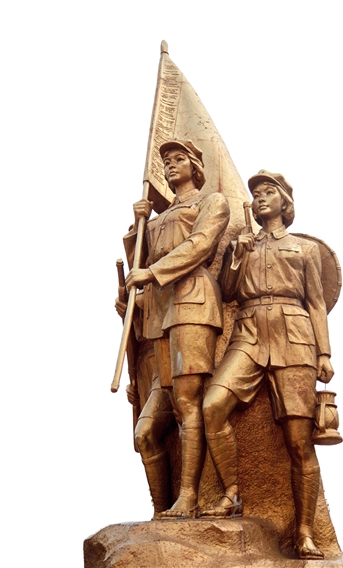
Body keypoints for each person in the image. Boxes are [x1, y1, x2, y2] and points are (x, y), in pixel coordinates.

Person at [202, 170, 333, 560]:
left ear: (284, 202)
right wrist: (236, 256)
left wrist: (324, 353)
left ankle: (305, 532)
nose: (259, 198)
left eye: (268, 192)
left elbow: (316, 303)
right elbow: (227, 293)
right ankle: (231, 494)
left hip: (295, 337)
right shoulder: (242, 245)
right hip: (249, 332)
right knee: (212, 406)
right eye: (256, 193)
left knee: (299, 442)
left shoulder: (303, 249)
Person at [123, 139, 230, 518]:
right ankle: (160, 512)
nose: (170, 165)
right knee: (148, 429)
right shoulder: (157, 218)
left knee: (188, 402)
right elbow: (139, 263)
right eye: (166, 160)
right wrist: (138, 227)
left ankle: (189, 498)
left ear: (195, 167)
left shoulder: (211, 202)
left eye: (178, 159)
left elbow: (200, 245)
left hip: (193, 301)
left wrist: (152, 272)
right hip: (159, 312)